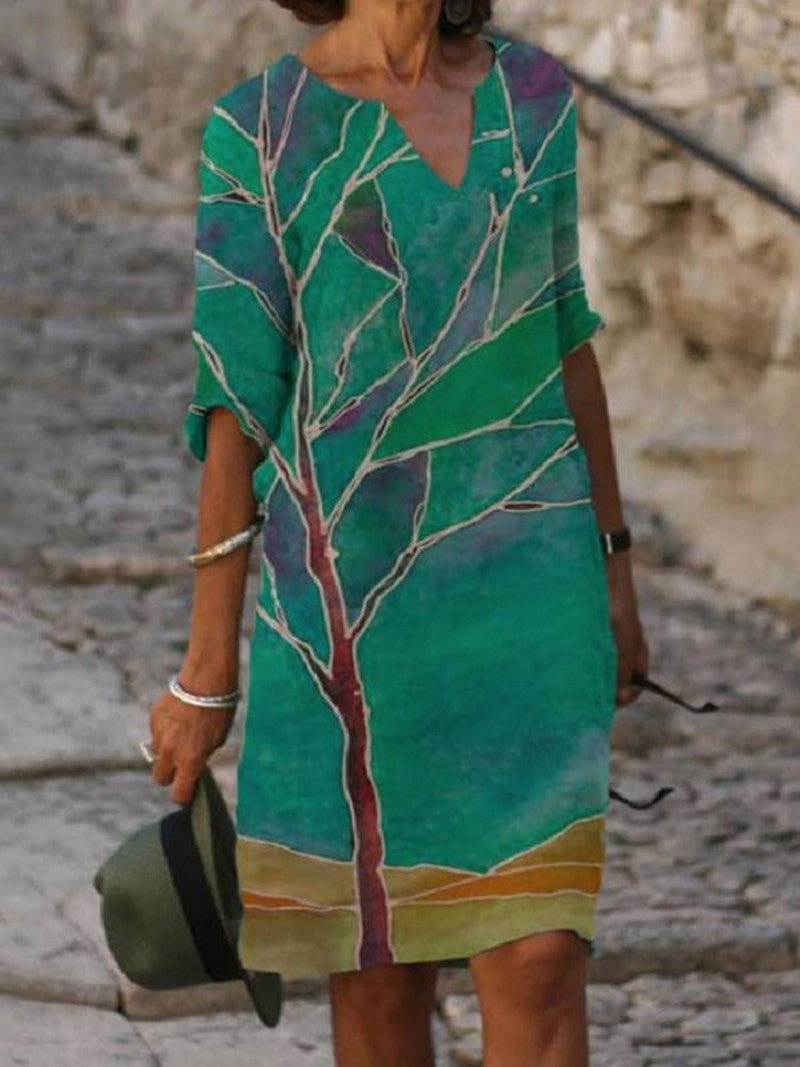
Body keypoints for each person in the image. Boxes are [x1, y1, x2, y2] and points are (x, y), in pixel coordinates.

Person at [147, 1, 649, 1064]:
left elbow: (564, 334)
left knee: (540, 958)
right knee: (378, 981)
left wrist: (613, 567)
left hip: (530, 591)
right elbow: (237, 402)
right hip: (343, 616)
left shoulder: (532, 97)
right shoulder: (262, 129)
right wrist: (205, 671)